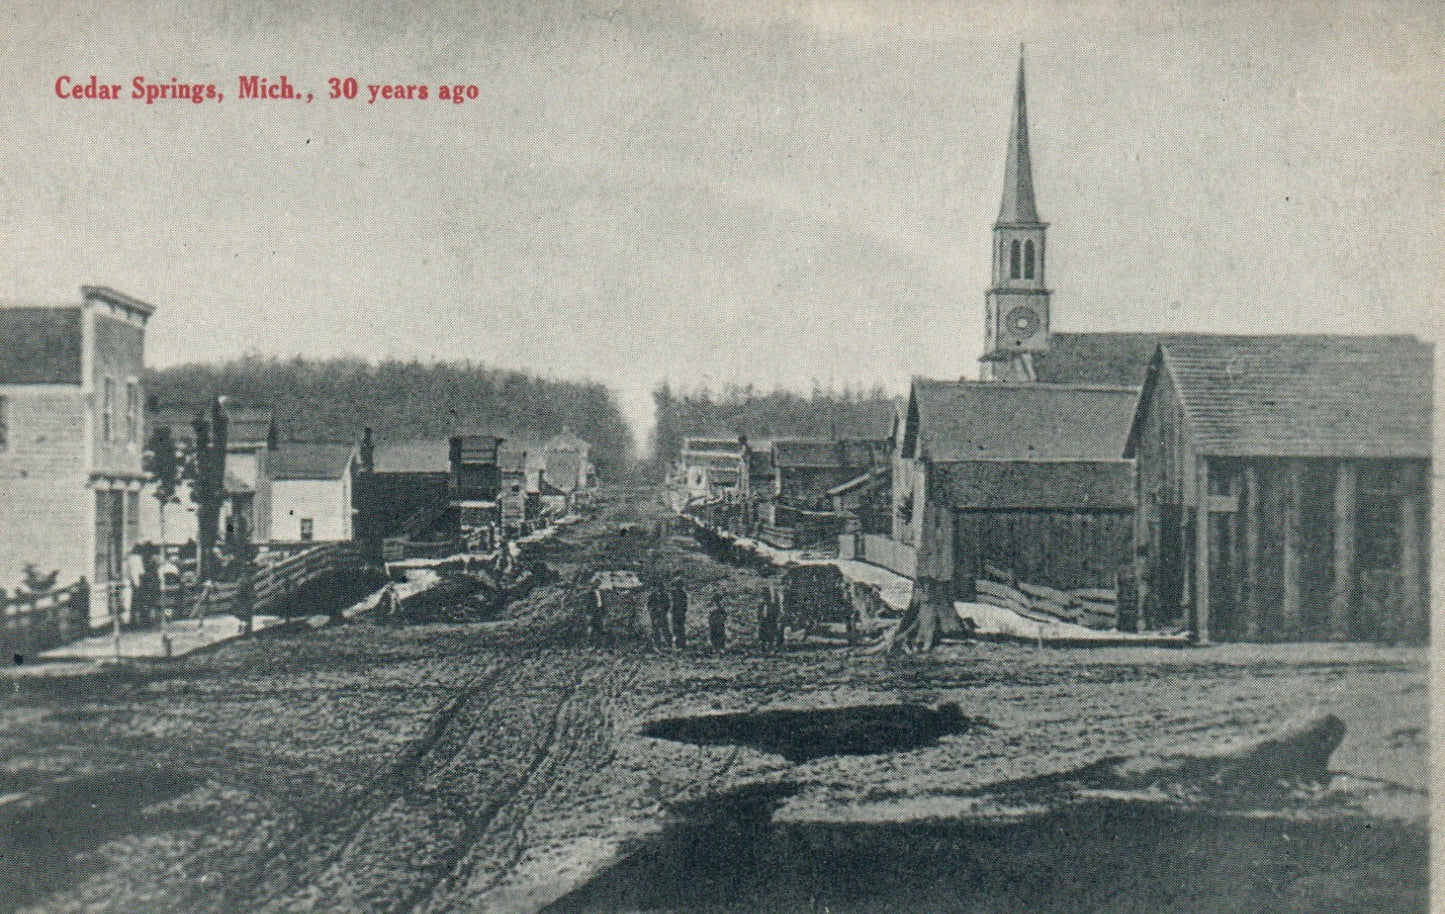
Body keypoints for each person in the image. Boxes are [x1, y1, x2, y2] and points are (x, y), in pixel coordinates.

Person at [647, 584, 671, 648]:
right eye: (655, 588)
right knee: (656, 630)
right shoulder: (651, 596)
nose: (657, 589)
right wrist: (653, 612)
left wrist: (663, 610)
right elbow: (649, 606)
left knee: (665, 630)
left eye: (658, 588)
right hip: (654, 616)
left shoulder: (665, 596)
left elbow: (668, 605)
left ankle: (669, 644)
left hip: (663, 615)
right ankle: (657, 644)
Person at [668, 579, 689, 649]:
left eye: (679, 585)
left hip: (679, 614)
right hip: (676, 614)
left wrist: (681, 612)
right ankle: (678, 644)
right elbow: (673, 604)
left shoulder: (682, 594)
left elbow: (684, 606)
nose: (678, 587)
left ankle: (681, 644)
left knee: (680, 629)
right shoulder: (676, 593)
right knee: (676, 629)